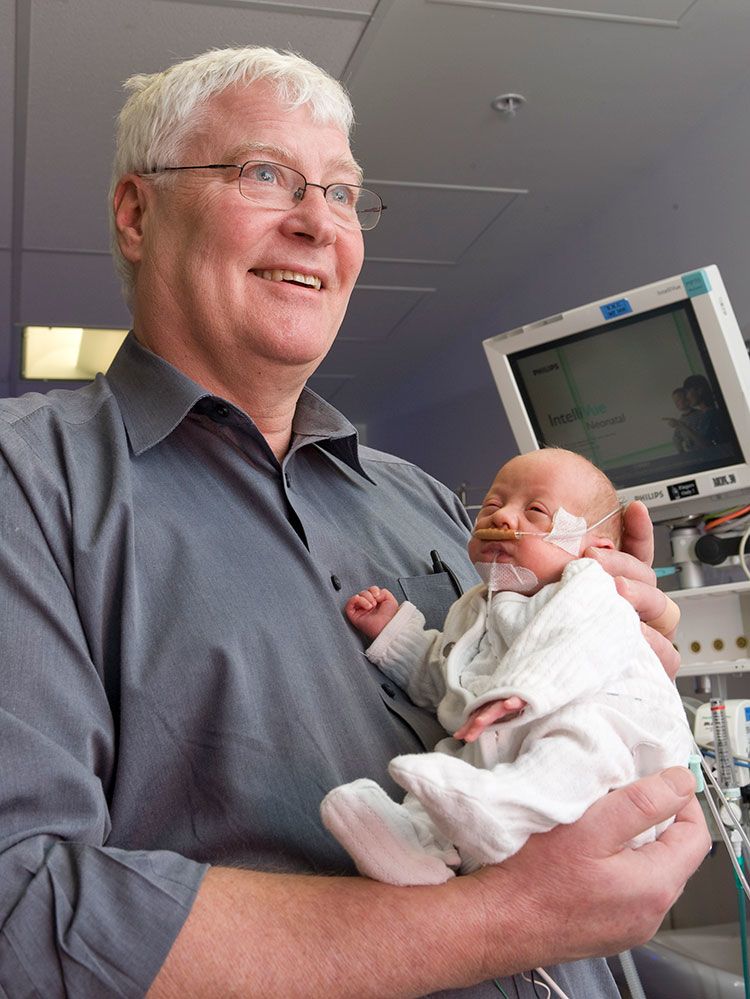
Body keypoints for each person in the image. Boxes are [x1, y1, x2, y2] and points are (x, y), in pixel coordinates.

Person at [0, 46, 707, 999]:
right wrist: (494, 921)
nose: (316, 222)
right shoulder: (28, 484)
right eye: (264, 174)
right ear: (137, 212)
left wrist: (612, 648)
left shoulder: (435, 504)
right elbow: (22, 911)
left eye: (341, 192)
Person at [322, 449, 694, 887]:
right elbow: (453, 680)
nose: (503, 519)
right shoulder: (477, 607)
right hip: (516, 739)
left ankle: (508, 807)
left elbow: (580, 643)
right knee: (457, 754)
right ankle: (419, 845)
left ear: (596, 551)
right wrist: (395, 635)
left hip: (617, 752)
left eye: (535, 511)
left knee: (581, 735)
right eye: (493, 506)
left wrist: (526, 688)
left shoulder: (590, 589)